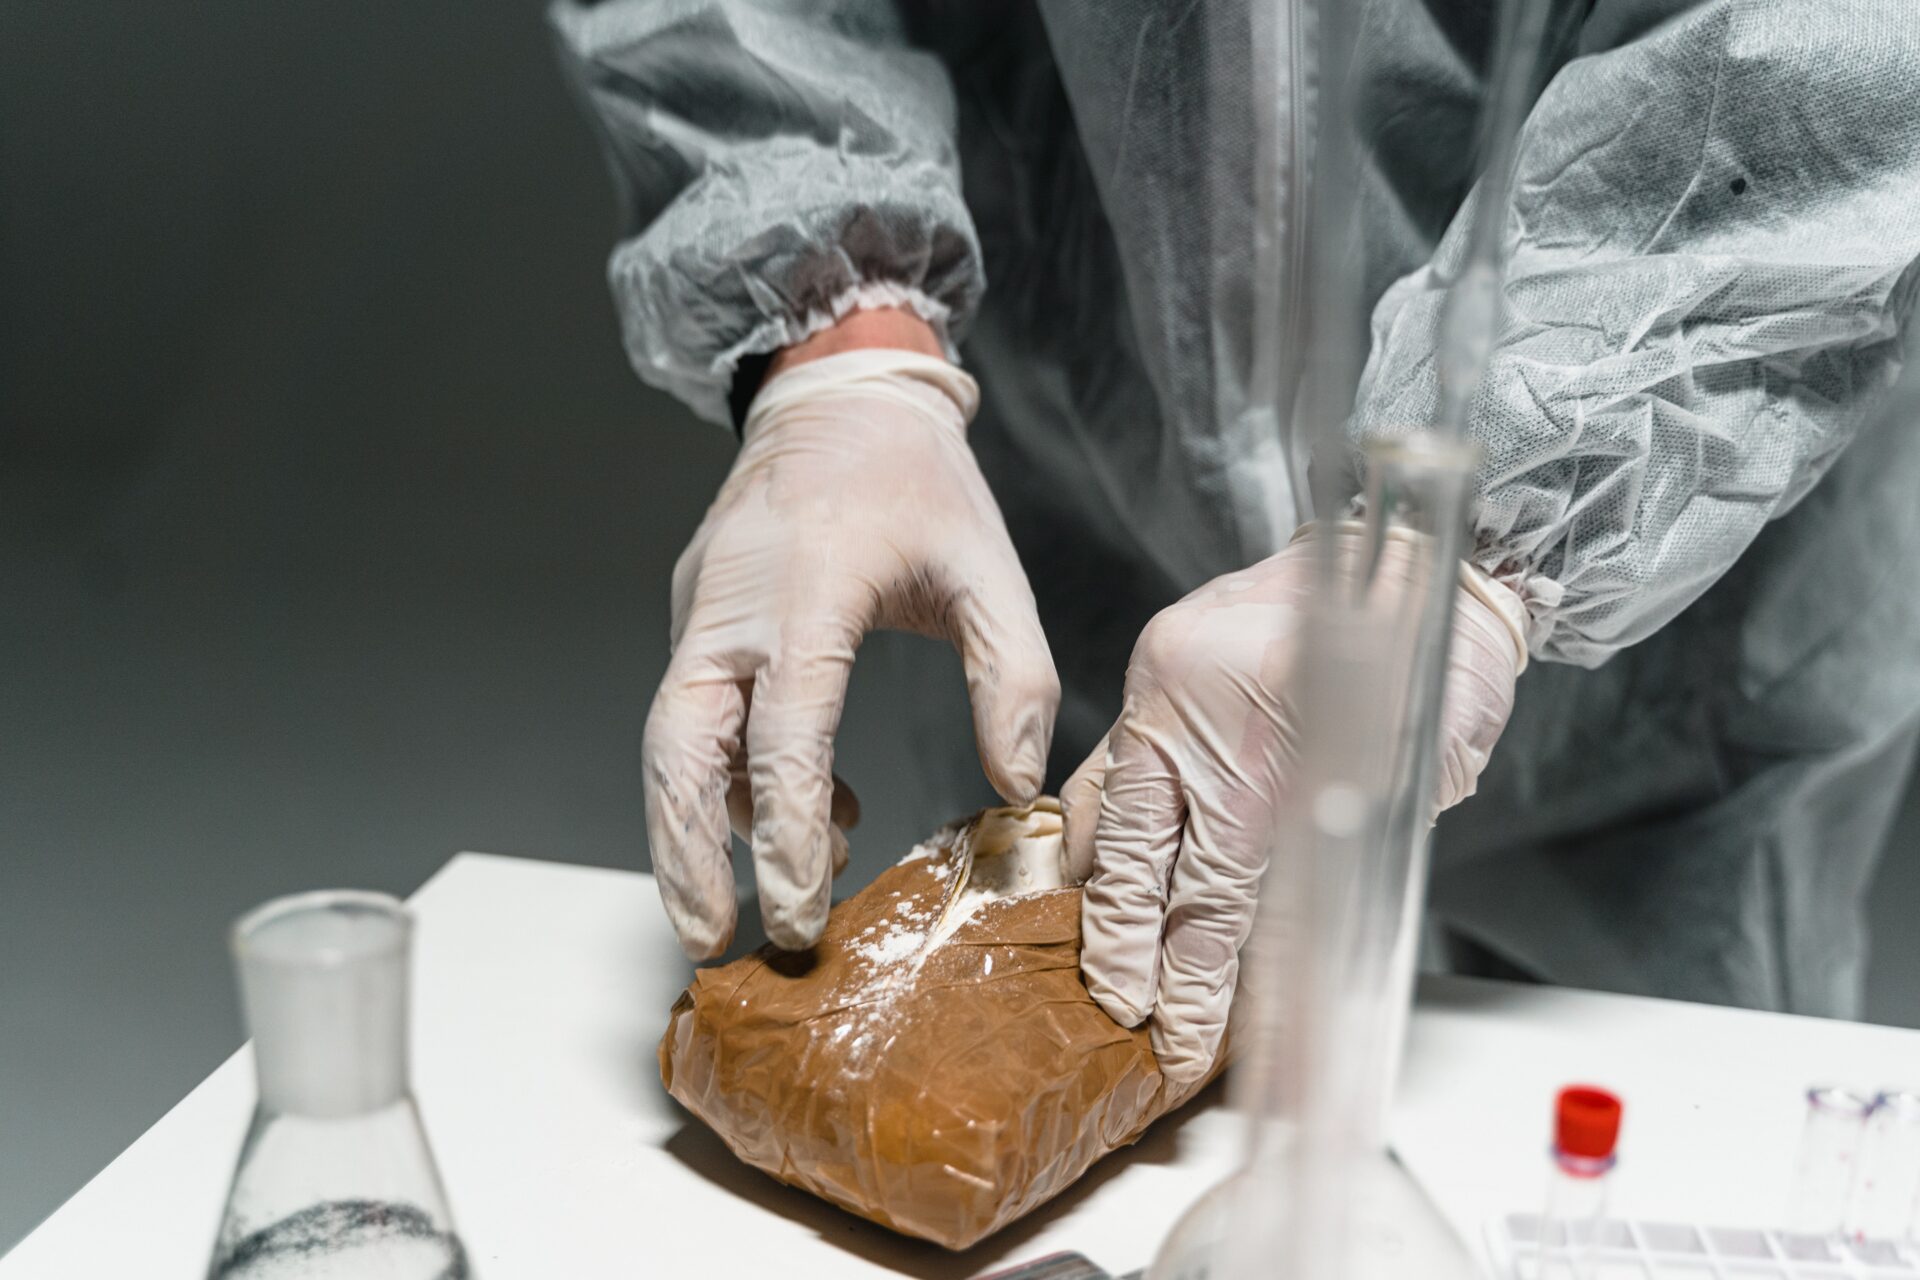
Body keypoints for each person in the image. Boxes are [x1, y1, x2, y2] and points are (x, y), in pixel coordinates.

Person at [550, 0, 1920, 1083]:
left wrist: (1483, 524)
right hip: (1088, 526)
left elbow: (1830, 44)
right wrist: (843, 347)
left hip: (1668, 601)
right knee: (1048, 1082)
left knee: (1652, 1166)